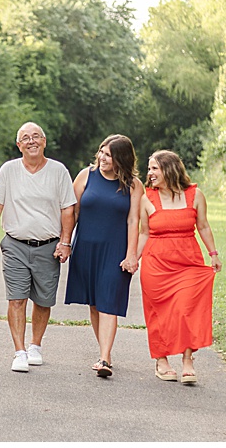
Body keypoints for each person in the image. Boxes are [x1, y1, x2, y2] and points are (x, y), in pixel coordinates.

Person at [0, 122, 76, 373]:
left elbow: (68, 209)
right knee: (17, 298)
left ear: (44, 141)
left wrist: (65, 242)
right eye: (25, 138)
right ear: (18, 145)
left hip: (48, 246)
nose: (31, 141)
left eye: (36, 137)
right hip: (15, 245)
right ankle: (19, 351)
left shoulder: (58, 171)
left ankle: (35, 345)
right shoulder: (9, 170)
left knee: (43, 301)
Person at [137, 150, 222, 383]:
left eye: (154, 168)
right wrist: (133, 258)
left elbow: (203, 226)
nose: (149, 173)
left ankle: (187, 359)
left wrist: (213, 253)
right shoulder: (147, 198)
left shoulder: (195, 195)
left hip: (188, 261)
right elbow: (144, 233)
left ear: (169, 169)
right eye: (149, 168)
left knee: (187, 309)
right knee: (159, 313)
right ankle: (161, 360)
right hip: (156, 263)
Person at [64, 134, 145, 377]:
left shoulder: (133, 185)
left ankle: (105, 358)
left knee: (108, 301)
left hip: (115, 250)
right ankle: (103, 351)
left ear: (122, 158)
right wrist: (65, 242)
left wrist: (132, 255)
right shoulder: (86, 175)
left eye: (108, 155)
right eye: (101, 151)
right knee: (95, 303)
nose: (102, 157)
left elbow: (134, 220)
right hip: (87, 247)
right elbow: (72, 211)